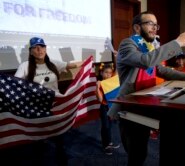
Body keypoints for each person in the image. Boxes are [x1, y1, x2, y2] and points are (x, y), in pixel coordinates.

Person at [107, 11, 185, 166]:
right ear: (137, 28)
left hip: (146, 104)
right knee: (136, 155)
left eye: (156, 24)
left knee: (142, 151)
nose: (154, 28)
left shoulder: (149, 47)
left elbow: (163, 71)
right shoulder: (127, 44)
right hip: (130, 107)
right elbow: (145, 61)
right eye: (150, 23)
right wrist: (177, 43)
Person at [14, 37, 83, 166]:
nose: (39, 49)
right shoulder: (25, 66)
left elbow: (70, 65)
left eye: (42, 46)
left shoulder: (53, 63)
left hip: (55, 106)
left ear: (46, 48)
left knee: (59, 140)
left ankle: (62, 161)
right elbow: (15, 84)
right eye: (35, 47)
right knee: (38, 142)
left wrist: (87, 61)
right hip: (37, 109)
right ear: (31, 51)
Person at [96, 63, 120, 155]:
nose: (108, 75)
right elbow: (100, 99)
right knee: (105, 126)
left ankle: (109, 142)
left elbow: (117, 71)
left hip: (112, 106)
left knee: (109, 126)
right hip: (104, 107)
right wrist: (97, 87)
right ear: (101, 73)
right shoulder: (101, 83)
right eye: (106, 72)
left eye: (110, 73)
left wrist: (117, 58)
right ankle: (105, 145)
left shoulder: (112, 81)